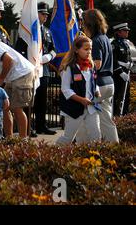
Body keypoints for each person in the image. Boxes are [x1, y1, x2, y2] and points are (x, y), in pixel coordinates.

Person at [14, 2, 57, 135]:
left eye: (46, 14)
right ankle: (28, 127)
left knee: (42, 100)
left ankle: (41, 125)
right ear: (36, 13)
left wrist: (49, 57)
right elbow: (18, 50)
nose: (45, 17)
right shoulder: (27, 31)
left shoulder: (47, 31)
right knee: (29, 100)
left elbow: (53, 49)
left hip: (43, 70)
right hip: (30, 70)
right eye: (42, 14)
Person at [77, 9, 119, 144]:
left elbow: (97, 64)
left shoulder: (94, 41)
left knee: (85, 117)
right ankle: (114, 145)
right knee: (106, 118)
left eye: (84, 23)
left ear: (90, 24)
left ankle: (83, 147)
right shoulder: (105, 38)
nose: (83, 26)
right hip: (109, 84)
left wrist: (79, 64)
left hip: (98, 85)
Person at [56, 36, 102, 145]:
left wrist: (97, 91)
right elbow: (65, 89)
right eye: (86, 49)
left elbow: (93, 83)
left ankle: (94, 160)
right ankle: (50, 156)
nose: (89, 52)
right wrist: (81, 100)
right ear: (76, 50)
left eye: (90, 49)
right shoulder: (69, 67)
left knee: (96, 137)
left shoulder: (91, 66)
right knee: (68, 139)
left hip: (91, 108)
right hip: (74, 109)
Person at [111, 22, 133, 116]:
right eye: (125, 31)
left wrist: (130, 63)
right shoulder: (114, 44)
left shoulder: (126, 43)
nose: (127, 32)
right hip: (118, 74)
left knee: (126, 96)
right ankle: (116, 116)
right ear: (119, 32)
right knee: (117, 96)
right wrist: (120, 72)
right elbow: (113, 60)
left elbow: (128, 57)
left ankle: (124, 115)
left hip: (126, 73)